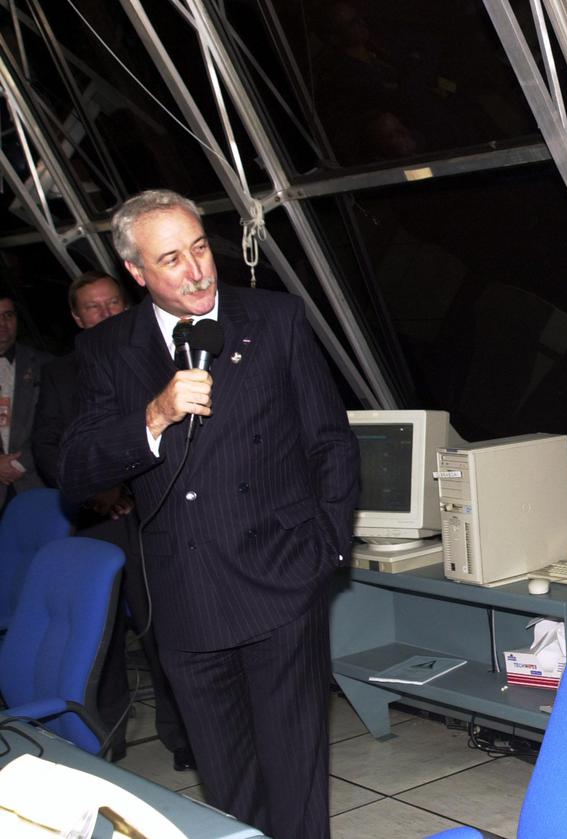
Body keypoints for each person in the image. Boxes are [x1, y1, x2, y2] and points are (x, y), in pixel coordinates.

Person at [59, 189, 359, 839]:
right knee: (226, 779)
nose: (196, 270)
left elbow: (330, 441)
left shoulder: (275, 319)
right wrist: (154, 416)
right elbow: (77, 472)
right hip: (187, 591)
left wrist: (328, 549)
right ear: (137, 272)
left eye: (199, 248)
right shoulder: (109, 348)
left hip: (282, 574)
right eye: (171, 259)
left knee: (295, 770)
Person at [32, 269, 195, 769]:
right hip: (97, 519)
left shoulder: (157, 359)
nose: (106, 314)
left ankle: (183, 738)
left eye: (113, 304)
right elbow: (49, 447)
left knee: (162, 629)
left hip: (153, 512)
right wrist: (101, 493)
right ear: (79, 320)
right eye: (94, 308)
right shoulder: (61, 373)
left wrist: (128, 488)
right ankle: (104, 739)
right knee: (98, 639)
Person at [0, 291, 52, 509]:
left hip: (35, 484)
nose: (2, 324)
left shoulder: (45, 366)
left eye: (8, 315)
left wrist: (19, 463)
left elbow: (58, 426)